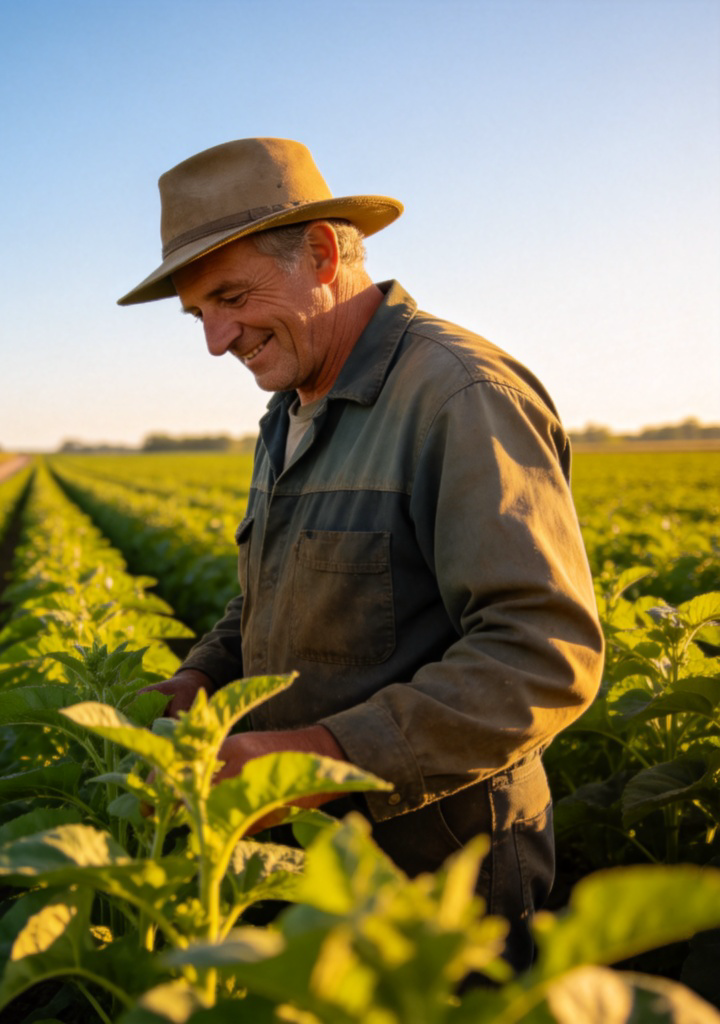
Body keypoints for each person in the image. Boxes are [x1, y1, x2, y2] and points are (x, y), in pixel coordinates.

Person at [117, 137, 604, 972]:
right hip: (311, 867)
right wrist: (202, 672)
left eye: (231, 298)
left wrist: (327, 757)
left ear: (321, 252)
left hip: (437, 887)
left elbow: (542, 655)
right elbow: (271, 590)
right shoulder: (292, 407)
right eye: (200, 315)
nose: (216, 339)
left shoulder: (458, 397)